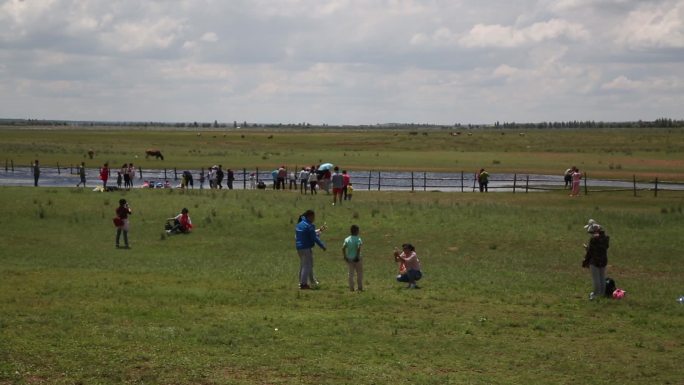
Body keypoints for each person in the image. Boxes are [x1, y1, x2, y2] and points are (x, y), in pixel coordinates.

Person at [295, 210, 327, 289]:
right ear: (309, 216)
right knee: (307, 266)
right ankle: (303, 284)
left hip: (299, 248)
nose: (314, 218)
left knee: (303, 265)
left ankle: (302, 282)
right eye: (313, 216)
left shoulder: (299, 224)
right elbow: (314, 238)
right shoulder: (309, 225)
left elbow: (308, 234)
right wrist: (322, 246)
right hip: (306, 248)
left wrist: (319, 230)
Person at [581, 219, 610, 300]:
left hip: (595, 261)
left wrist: (585, 260)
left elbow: (591, 252)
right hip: (603, 260)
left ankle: (596, 294)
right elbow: (603, 248)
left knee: (596, 279)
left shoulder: (593, 239)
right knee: (602, 278)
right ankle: (602, 294)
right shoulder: (606, 238)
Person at [342, 225, 363, 291]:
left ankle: (351, 288)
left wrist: (345, 256)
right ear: (356, 231)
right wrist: (357, 256)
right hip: (357, 258)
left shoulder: (347, 239)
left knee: (351, 273)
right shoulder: (358, 238)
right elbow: (359, 247)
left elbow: (343, 248)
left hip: (349, 258)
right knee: (359, 273)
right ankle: (359, 287)